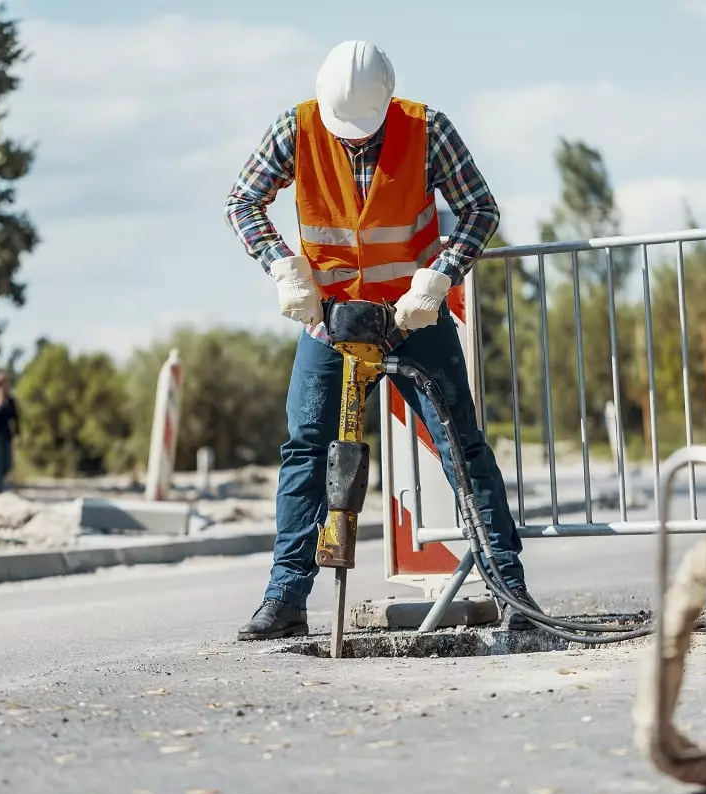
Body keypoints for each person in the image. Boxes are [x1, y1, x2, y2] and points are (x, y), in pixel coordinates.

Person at [223, 39, 543, 640]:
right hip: (332, 320)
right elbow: (243, 200)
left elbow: (479, 210)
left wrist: (440, 277)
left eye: (361, 130)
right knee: (308, 449)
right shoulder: (298, 128)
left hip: (410, 317)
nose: (350, 139)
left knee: (461, 446)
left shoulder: (428, 129)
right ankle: (286, 598)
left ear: (387, 103)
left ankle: (509, 589)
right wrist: (280, 266)